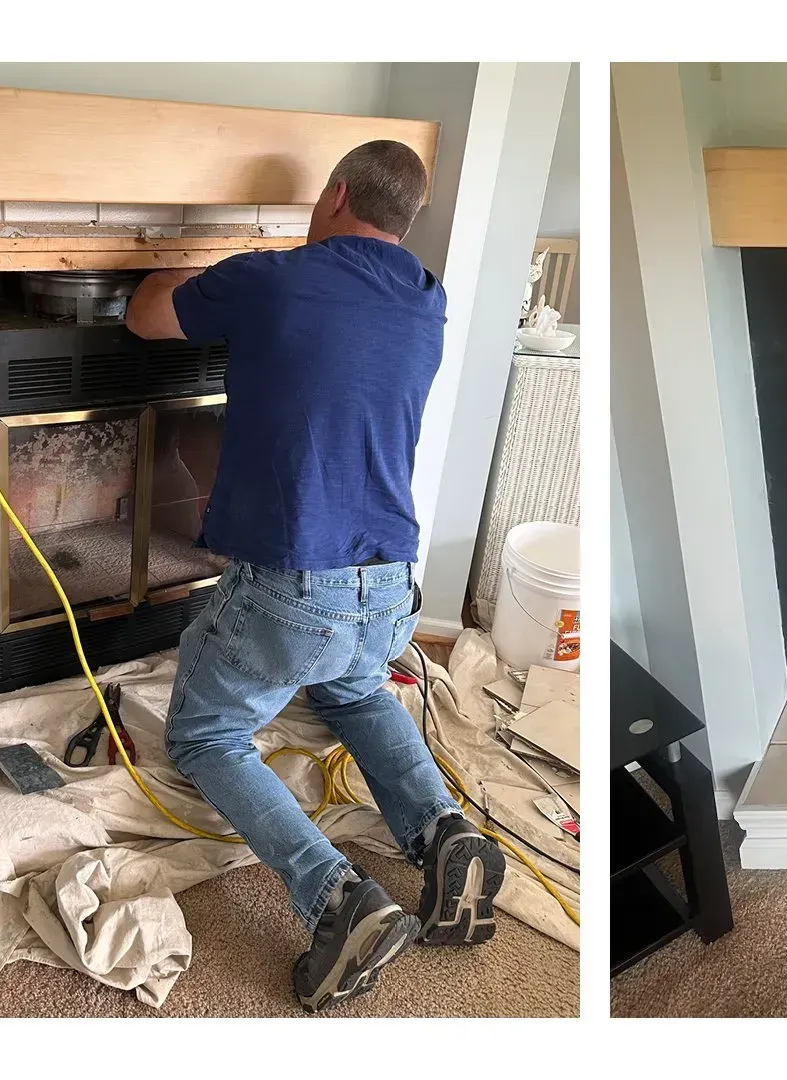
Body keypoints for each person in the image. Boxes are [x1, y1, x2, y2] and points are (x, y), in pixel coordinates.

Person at [124, 140, 506, 1013]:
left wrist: (187, 263)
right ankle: (445, 837)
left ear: (334, 194)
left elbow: (148, 316)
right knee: (353, 687)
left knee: (207, 735)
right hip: (390, 587)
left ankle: (337, 901)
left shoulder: (275, 277)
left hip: (295, 588)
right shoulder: (426, 297)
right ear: (405, 219)